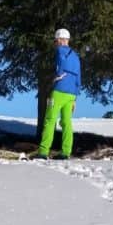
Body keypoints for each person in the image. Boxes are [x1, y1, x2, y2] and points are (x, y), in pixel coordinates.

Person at [38, 28, 81, 159]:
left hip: (59, 91)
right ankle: (66, 152)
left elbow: (59, 66)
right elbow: (78, 78)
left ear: (61, 40)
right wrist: (75, 98)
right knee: (66, 122)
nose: (55, 44)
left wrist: (57, 76)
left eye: (55, 41)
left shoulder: (60, 51)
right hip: (71, 94)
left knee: (50, 120)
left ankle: (43, 151)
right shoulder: (75, 56)